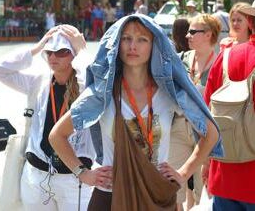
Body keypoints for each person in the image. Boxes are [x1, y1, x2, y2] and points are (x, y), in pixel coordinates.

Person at [49, 14, 223, 210]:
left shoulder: (170, 93)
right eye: (126, 38)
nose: (133, 46)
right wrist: (83, 173)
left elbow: (211, 133)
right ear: (117, 43)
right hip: (110, 196)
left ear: (154, 45)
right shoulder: (102, 93)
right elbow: (57, 135)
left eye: (142, 39)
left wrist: (183, 174)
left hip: (157, 195)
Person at [0, 25, 95, 211]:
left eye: (62, 51)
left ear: (74, 55)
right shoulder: (38, 81)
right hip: (36, 175)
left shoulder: (86, 86)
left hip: (73, 179)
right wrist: (37, 47)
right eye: (49, 52)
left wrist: (83, 51)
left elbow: (98, 81)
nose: (53, 57)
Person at [203, 0, 255, 211]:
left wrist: (205, 164)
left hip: (224, 174)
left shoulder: (226, 56)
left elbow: (204, 114)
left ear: (250, 22)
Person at [169, 14, 221, 211]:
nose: (187, 35)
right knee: (172, 186)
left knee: (202, 190)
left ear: (208, 35)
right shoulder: (182, 59)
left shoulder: (219, 63)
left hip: (204, 133)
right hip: (178, 127)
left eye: (193, 31)